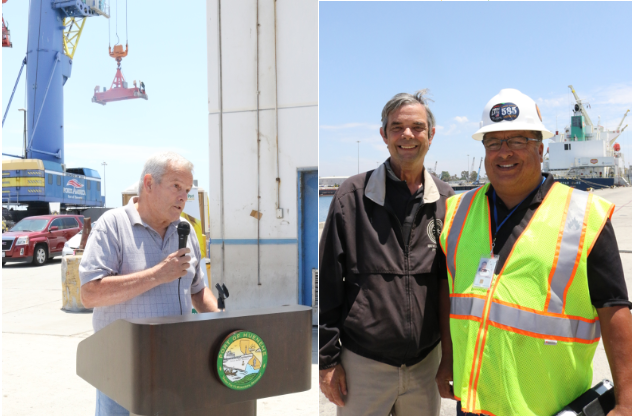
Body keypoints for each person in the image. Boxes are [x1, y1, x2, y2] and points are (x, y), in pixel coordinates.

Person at [436, 88, 632, 416]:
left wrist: (626, 402)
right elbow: (449, 289)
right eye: (493, 142)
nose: (504, 152)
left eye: (518, 141)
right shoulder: (457, 212)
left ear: (540, 148)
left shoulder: (583, 216)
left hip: (550, 406)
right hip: (474, 403)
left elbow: (614, 310)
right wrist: (449, 358)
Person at [319, 90, 455, 416]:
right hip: (363, 365)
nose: (407, 135)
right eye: (397, 127)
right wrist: (327, 361)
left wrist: (449, 359)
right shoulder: (351, 197)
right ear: (383, 135)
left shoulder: (449, 201)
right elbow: (328, 284)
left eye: (417, 127)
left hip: (425, 365)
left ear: (431, 135)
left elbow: (450, 286)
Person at [80, 151, 219, 416]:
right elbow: (90, 294)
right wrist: (157, 275)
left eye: (187, 190)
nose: (183, 197)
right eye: (176, 186)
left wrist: (226, 325)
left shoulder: (186, 230)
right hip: (120, 366)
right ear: (148, 183)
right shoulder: (112, 226)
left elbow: (198, 291)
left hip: (175, 362)